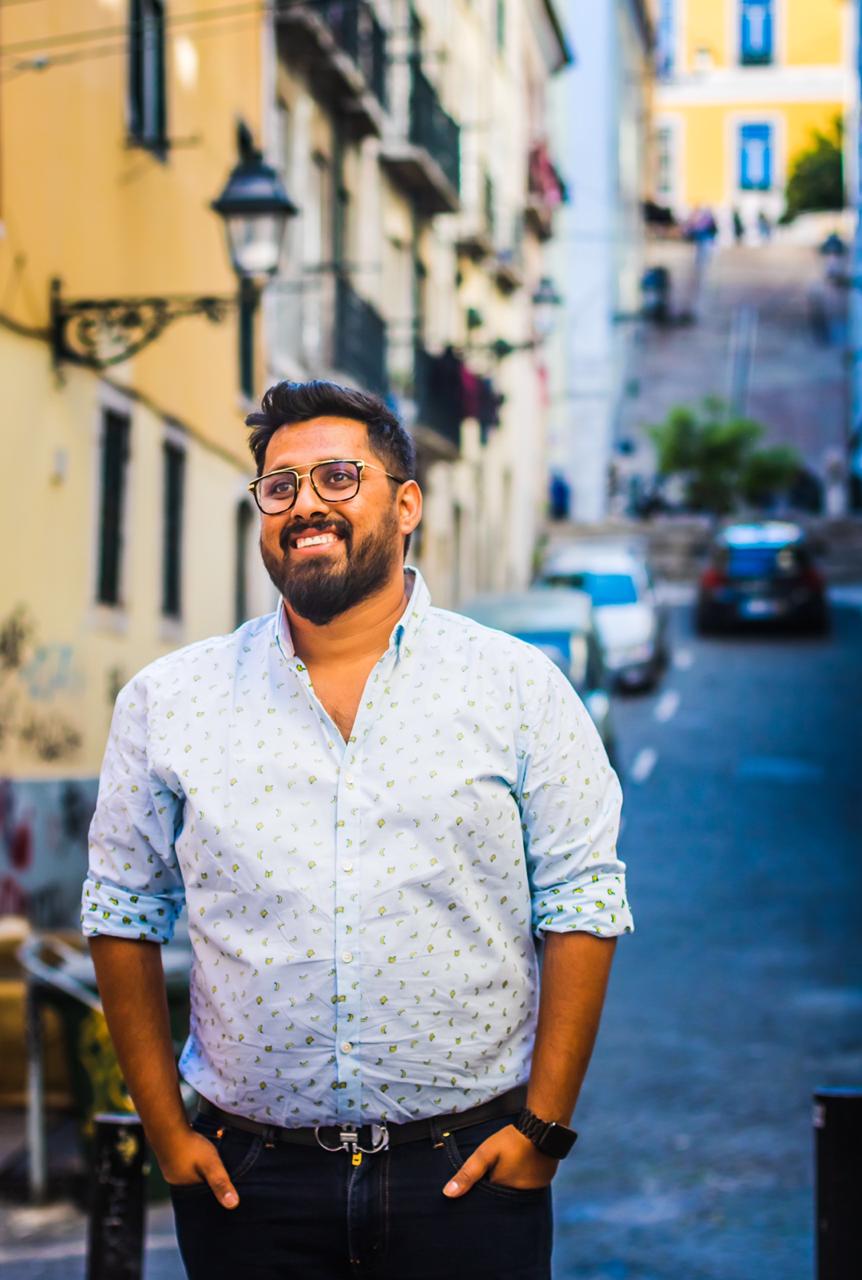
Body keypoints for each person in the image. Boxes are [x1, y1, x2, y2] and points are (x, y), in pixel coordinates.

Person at [83, 380, 633, 1280]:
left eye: (339, 477)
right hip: (249, 1186)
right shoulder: (169, 701)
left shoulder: (518, 687)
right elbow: (120, 912)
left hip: (464, 1176)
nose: (306, 504)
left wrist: (542, 1131)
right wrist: (166, 1132)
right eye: (280, 486)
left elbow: (583, 902)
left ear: (406, 504)